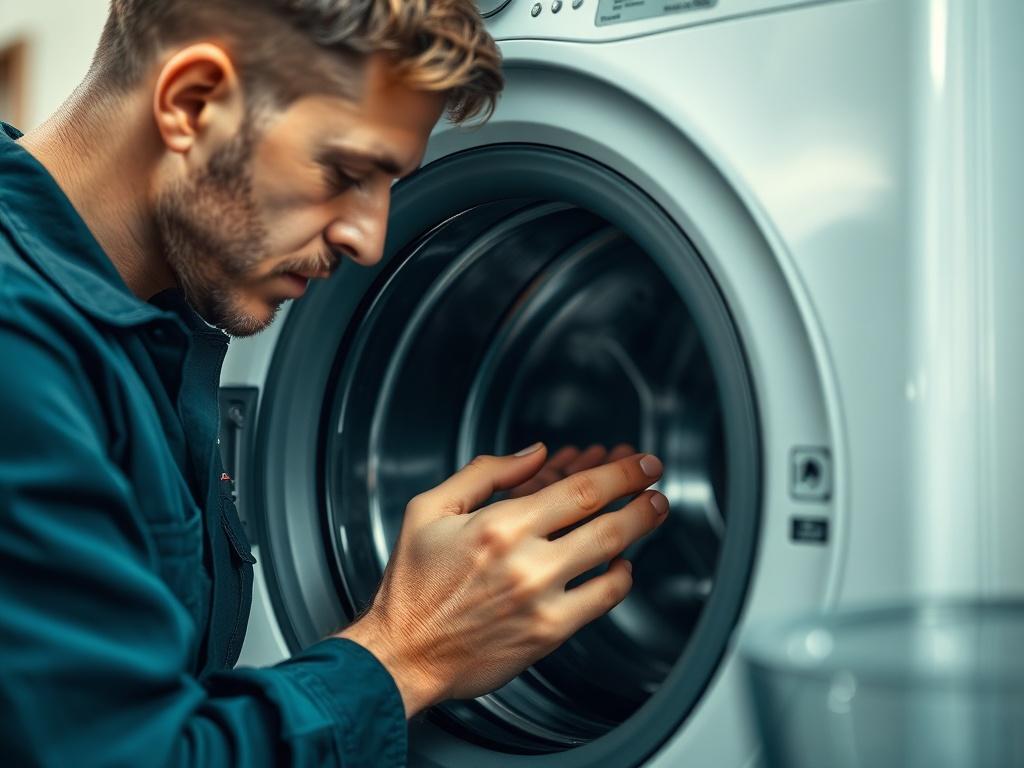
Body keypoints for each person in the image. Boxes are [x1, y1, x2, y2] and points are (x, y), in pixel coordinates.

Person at [0, 1, 669, 765]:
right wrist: (408, 651)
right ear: (191, 103)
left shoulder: (133, 324)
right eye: (346, 173)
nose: (369, 237)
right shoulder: (18, 348)